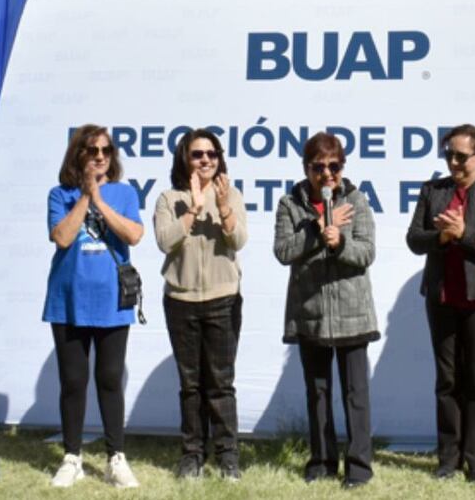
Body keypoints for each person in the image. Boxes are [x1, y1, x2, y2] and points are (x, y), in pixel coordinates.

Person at [406, 124, 475, 483]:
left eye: (461, 156)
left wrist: (464, 234)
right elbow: (414, 240)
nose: (453, 161)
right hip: (442, 298)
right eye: (449, 154)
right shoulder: (432, 191)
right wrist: (442, 236)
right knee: (447, 381)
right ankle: (448, 459)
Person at [273, 132, 379, 490]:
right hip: (310, 314)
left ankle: (360, 466)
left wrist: (340, 242)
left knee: (356, 393)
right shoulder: (291, 203)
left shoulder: (357, 200)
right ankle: (321, 461)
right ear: (307, 168)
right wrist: (316, 233)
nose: (327, 174)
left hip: (352, 312)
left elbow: (366, 253)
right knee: (317, 392)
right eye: (319, 167)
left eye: (334, 166)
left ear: (342, 167)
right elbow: (283, 251)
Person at [42, 125, 144, 488]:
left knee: (110, 379)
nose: (100, 156)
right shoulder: (60, 194)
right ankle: (72, 457)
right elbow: (63, 237)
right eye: (92, 150)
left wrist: (100, 200)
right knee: (73, 381)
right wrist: (85, 196)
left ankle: (116, 456)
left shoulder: (124, 192)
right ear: (78, 155)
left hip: (112, 301)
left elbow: (133, 235)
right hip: (68, 301)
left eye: (105, 150)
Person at [153, 129, 248, 481]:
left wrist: (222, 209)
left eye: (211, 154)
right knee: (191, 385)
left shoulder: (232, 194)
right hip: (181, 300)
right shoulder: (168, 198)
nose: (205, 160)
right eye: (197, 154)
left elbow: (238, 240)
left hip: (223, 299)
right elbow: (165, 242)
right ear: (184, 158)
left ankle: (227, 456)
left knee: (221, 383)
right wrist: (192, 208)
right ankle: (192, 454)